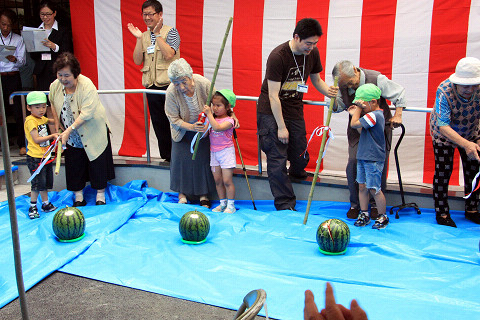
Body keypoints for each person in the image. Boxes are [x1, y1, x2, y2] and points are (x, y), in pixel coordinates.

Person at [257, 18, 338, 211]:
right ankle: (285, 203)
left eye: (315, 43)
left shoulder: (312, 53)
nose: (311, 48)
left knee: (300, 153)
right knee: (277, 157)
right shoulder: (278, 56)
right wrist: (281, 127)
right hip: (271, 109)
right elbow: (274, 96)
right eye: (308, 43)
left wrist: (330, 93)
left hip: (294, 107)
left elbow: (316, 80)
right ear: (296, 37)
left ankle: (296, 174)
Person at [332, 60, 406, 220]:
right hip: (358, 130)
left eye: (351, 83)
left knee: (377, 167)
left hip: (378, 131)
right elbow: (336, 107)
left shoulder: (376, 78)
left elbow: (399, 93)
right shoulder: (341, 84)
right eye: (346, 85)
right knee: (354, 163)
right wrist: (330, 96)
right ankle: (356, 204)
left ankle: (375, 207)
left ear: (355, 71)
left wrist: (398, 114)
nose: (350, 87)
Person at [49, 52, 115, 206]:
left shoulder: (86, 85)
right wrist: (59, 126)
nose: (63, 79)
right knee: (74, 164)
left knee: (97, 161)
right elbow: (52, 102)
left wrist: (68, 130)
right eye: (60, 75)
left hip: (92, 130)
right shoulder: (55, 86)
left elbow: (87, 113)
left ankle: (100, 195)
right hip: (70, 135)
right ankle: (78, 196)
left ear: (75, 74)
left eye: (67, 75)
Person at [429, 57, 480, 227]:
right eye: (466, 86)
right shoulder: (444, 90)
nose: (470, 89)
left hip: (471, 130)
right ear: (457, 83)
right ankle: (442, 212)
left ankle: (472, 209)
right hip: (444, 134)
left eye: (474, 85)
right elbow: (443, 126)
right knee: (444, 171)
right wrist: (466, 145)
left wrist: (476, 139)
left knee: (473, 171)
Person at [127, 0, 181, 163]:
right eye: (145, 14)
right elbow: (137, 60)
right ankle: (167, 156)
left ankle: (177, 156)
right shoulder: (143, 36)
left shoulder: (171, 32)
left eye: (151, 14)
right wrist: (138, 39)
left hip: (169, 86)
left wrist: (157, 35)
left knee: (173, 121)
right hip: (151, 86)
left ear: (160, 15)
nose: (147, 17)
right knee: (158, 122)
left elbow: (169, 54)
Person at [347, 84, 388, 229]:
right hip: (364, 156)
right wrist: (356, 114)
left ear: (373, 102)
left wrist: (356, 111)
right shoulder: (370, 116)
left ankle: (382, 215)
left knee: (374, 188)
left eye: (362, 104)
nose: (361, 107)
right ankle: (364, 213)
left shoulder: (374, 115)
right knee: (362, 186)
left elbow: (353, 125)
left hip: (373, 158)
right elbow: (360, 130)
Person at [24, 91, 58, 219]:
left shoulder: (41, 118)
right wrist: (53, 135)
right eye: (37, 107)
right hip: (35, 157)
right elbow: (37, 139)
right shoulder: (31, 121)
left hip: (45, 156)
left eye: (44, 106)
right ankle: (32, 206)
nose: (41, 110)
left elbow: (53, 121)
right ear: (29, 108)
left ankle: (45, 203)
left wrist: (58, 117)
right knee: (37, 183)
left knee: (45, 182)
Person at [203, 89, 237, 213]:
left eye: (219, 105)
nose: (215, 108)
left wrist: (209, 115)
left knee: (227, 180)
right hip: (214, 152)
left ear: (228, 107)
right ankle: (222, 203)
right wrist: (202, 125)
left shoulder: (229, 120)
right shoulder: (211, 119)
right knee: (217, 180)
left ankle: (231, 205)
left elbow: (217, 128)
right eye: (213, 105)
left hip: (226, 152)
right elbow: (205, 134)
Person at [30, 0, 73, 91]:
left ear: (54, 13)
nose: (45, 17)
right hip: (41, 70)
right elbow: (32, 56)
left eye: (48, 14)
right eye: (42, 14)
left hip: (57, 70)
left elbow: (67, 51)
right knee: (44, 97)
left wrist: (54, 46)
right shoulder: (36, 30)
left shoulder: (63, 30)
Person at [0, 9, 26, 155]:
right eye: (3, 24)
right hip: (0, 76)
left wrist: (14, 59)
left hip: (13, 75)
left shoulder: (18, 39)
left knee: (18, 111)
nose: (5, 28)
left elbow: (23, 62)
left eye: (9, 25)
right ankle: (2, 142)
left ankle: (22, 143)